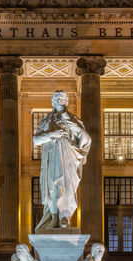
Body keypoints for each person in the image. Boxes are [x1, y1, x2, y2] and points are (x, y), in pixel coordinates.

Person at [33, 90, 91, 229]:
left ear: (66, 101)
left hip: (69, 157)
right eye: (57, 98)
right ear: (52, 101)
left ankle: (64, 217)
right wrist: (52, 134)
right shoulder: (46, 121)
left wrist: (70, 124)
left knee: (68, 187)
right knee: (53, 187)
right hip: (52, 157)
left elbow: (86, 138)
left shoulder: (74, 120)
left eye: (62, 98)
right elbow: (36, 140)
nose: (60, 100)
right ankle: (54, 217)